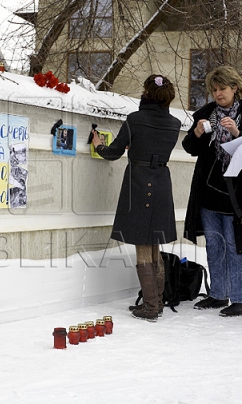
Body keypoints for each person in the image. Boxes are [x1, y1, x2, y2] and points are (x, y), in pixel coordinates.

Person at [93, 74, 181, 322]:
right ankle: (158, 301)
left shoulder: (135, 120)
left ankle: (151, 306)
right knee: (154, 244)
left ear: (147, 93)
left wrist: (99, 144)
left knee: (143, 243)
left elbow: (113, 153)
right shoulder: (174, 124)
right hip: (162, 182)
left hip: (139, 183)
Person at [182, 66, 242, 317]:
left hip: (237, 193)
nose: (218, 94)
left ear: (235, 88)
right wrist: (197, 133)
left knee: (236, 245)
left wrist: (237, 133)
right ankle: (218, 294)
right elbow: (190, 147)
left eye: (223, 89)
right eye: (214, 90)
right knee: (214, 245)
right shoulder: (205, 114)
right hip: (209, 190)